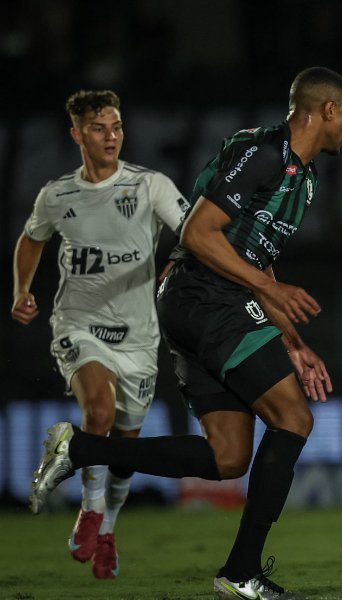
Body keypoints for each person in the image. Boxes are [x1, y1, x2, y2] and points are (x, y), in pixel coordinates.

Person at [29, 66, 342, 599]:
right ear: (327, 110)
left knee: (227, 458)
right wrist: (269, 294)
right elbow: (200, 232)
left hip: (205, 302)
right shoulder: (267, 152)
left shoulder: (304, 176)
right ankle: (242, 571)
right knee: (293, 419)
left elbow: (256, 256)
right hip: (206, 297)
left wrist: (292, 341)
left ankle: (81, 450)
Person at [11, 89, 188, 579]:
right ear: (77, 135)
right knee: (99, 412)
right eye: (98, 128)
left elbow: (194, 230)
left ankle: (107, 529)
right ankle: (89, 509)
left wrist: (182, 261)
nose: (110, 137)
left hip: (139, 337)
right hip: (79, 325)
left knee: (124, 451)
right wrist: (22, 290)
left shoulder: (149, 185)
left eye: (116, 127)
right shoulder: (57, 195)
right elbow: (31, 238)